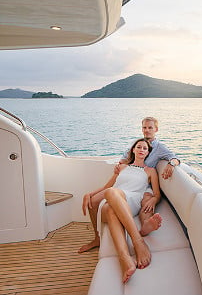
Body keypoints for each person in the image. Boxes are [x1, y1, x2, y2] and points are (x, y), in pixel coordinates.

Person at [78, 116, 179, 253]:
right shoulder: (135, 145)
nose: (147, 130)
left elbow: (173, 157)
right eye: (144, 127)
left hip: (145, 182)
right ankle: (98, 238)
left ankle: (145, 226)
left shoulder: (159, 148)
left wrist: (172, 164)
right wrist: (121, 166)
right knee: (97, 201)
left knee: (147, 199)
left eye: (150, 128)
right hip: (129, 179)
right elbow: (125, 158)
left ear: (156, 129)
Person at [80, 138, 161, 283]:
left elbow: (157, 194)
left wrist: (154, 199)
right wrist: (90, 194)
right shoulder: (123, 167)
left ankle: (131, 249)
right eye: (139, 147)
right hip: (113, 197)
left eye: (145, 148)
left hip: (131, 201)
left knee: (112, 194)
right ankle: (130, 251)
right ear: (133, 150)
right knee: (110, 202)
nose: (142, 150)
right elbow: (106, 187)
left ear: (148, 153)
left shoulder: (150, 171)